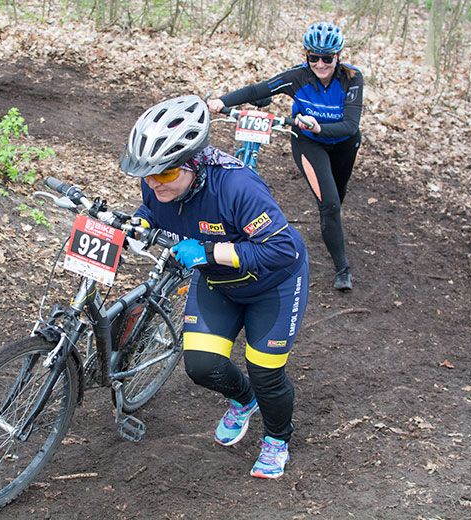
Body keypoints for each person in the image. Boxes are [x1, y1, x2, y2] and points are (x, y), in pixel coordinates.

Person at [119, 94, 309, 479]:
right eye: (148, 174)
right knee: (202, 366)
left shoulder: (237, 187)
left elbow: (282, 249)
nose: (155, 184)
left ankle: (277, 439)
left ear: (193, 165)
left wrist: (211, 250)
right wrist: (139, 223)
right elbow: (153, 210)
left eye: (166, 174)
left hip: (274, 285)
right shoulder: (156, 184)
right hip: (220, 283)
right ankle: (244, 400)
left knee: (265, 371)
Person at [208, 21, 363, 291]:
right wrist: (223, 101)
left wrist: (319, 126)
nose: (320, 64)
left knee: (337, 194)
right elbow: (260, 90)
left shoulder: (351, 78)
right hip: (309, 143)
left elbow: (350, 125)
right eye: (313, 57)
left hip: (344, 144)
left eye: (327, 58)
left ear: (338, 56)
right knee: (329, 205)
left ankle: (331, 218)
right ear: (307, 56)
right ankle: (343, 269)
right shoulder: (298, 76)